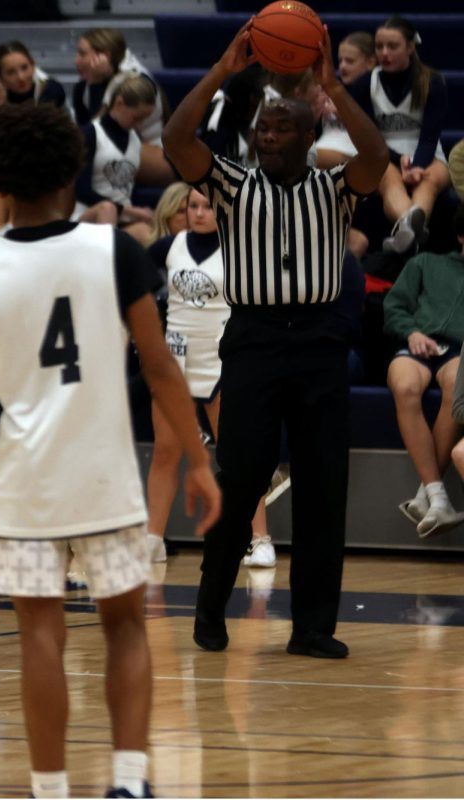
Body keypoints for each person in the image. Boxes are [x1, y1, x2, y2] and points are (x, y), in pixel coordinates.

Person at [0, 102, 220, 800]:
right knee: (125, 628)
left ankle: (51, 789)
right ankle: (128, 782)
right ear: (74, 172)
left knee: (41, 637)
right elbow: (159, 366)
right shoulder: (116, 251)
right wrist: (202, 460)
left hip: (25, 482)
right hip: (105, 477)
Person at [162, 22, 387, 658]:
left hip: (319, 343)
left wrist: (332, 87)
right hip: (255, 342)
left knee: (322, 487)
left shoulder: (335, 188)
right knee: (241, 481)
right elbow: (176, 139)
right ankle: (210, 605)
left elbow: (375, 157)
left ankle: (313, 627)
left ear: (309, 135)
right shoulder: (232, 185)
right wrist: (222, 69)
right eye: (263, 128)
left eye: (283, 128)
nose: (268, 136)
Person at [144, 189, 273, 566]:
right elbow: (130, 280)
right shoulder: (169, 246)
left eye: (206, 207)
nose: (199, 214)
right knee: (166, 452)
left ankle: (260, 539)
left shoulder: (240, 249)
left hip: (221, 359)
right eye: (192, 207)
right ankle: (153, 538)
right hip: (175, 360)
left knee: (238, 457)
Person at [382, 204, 464, 536]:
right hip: (417, 342)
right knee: (403, 386)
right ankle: (437, 496)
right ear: (460, 236)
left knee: (457, 384)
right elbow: (393, 306)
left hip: (459, 351)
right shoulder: (425, 262)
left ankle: (430, 496)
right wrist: (412, 332)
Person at [346, 16, 451, 254]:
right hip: (382, 154)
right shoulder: (365, 83)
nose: (384, 53)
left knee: (429, 180)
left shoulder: (432, 81)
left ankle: (406, 231)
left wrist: (417, 165)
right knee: (389, 179)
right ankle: (410, 225)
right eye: (379, 47)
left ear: (411, 47)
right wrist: (397, 159)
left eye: (392, 47)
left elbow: (429, 136)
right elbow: (369, 138)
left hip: (427, 153)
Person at [0, 41, 69, 232]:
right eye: (11, 72)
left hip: (52, 157)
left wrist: (3, 110)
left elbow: (39, 136)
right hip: (17, 160)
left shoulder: (50, 89)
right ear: (0, 77)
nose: (21, 77)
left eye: (25, 68)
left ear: (33, 65)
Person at [73, 28, 173, 186]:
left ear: (104, 56)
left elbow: (108, 135)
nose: (76, 61)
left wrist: (97, 84)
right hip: (121, 151)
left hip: (157, 157)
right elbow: (85, 132)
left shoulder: (137, 82)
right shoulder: (83, 88)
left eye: (82, 54)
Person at [73, 75, 158, 245]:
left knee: (152, 230)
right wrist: (131, 211)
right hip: (91, 214)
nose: (140, 124)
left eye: (144, 119)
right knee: (107, 210)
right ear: (119, 103)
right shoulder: (90, 134)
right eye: (136, 118)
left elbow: (125, 187)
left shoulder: (135, 138)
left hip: (123, 217)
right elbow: (81, 191)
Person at [314, 31, 377, 169]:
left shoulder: (374, 88)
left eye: (349, 61)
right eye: (340, 60)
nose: (342, 66)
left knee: (298, 157)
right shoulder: (331, 87)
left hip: (353, 149)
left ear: (371, 62)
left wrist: (342, 112)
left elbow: (376, 132)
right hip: (324, 145)